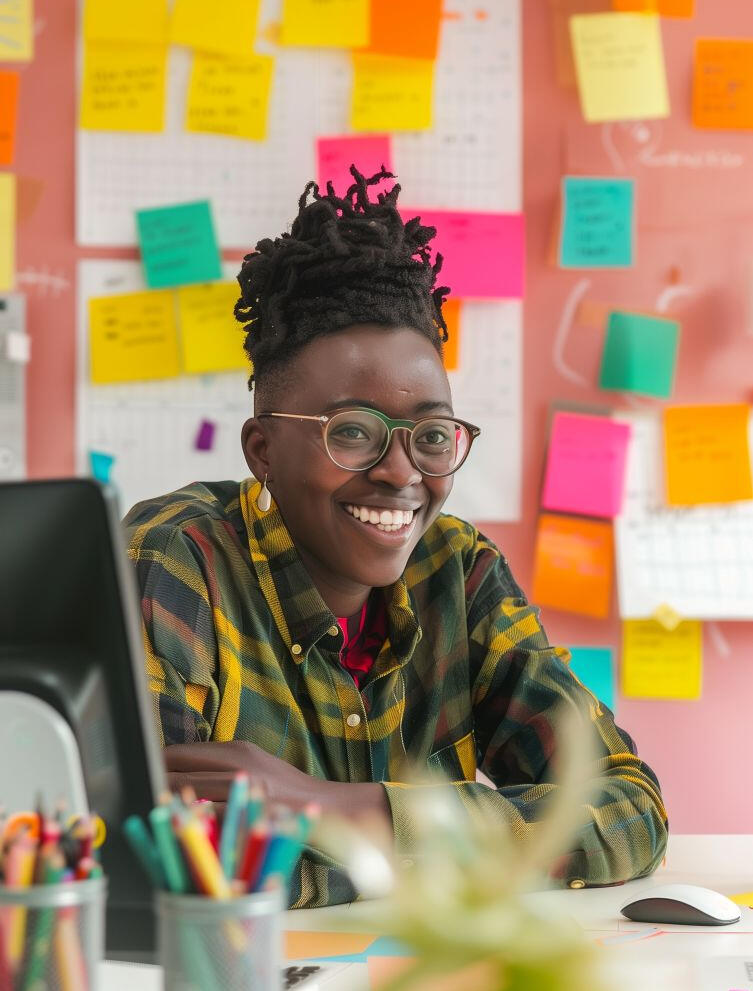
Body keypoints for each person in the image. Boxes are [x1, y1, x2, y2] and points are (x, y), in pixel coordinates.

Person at [124, 167, 667, 908]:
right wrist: (441, 850)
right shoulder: (174, 559)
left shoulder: (460, 571)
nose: (400, 472)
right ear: (261, 451)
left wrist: (327, 808)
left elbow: (628, 810)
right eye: (351, 432)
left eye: (431, 435)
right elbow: (154, 860)